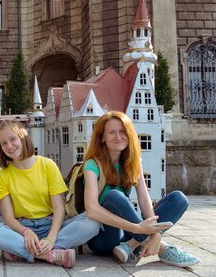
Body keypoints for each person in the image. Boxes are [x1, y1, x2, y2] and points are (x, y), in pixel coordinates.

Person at [83, 111, 199, 267]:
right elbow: (92, 210)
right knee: (114, 196)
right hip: (103, 238)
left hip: (129, 235)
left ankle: (130, 245)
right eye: (112, 132)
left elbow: (144, 200)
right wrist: (138, 229)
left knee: (178, 199)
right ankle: (163, 249)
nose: (118, 136)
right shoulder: (92, 165)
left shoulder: (133, 163)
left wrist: (155, 233)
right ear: (102, 138)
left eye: (123, 131)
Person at [0, 120, 101, 268]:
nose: (9, 146)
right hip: (21, 230)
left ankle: (21, 251)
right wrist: (26, 232)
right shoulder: (2, 175)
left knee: (93, 220)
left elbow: (59, 209)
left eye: (12, 139)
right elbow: (9, 218)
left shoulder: (47, 165)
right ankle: (50, 254)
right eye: (3, 143)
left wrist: (50, 238)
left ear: (23, 137)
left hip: (52, 226)